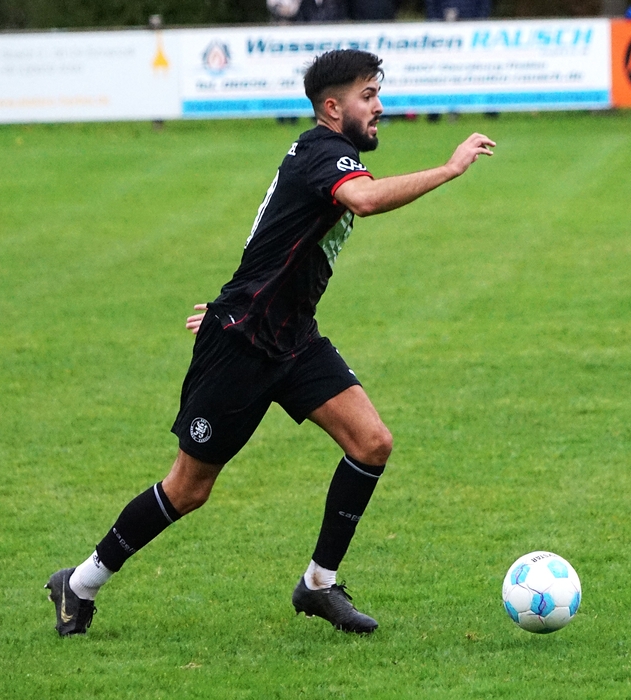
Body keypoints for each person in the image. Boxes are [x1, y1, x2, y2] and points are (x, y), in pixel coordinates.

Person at [46, 49, 495, 637]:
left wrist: (233, 302)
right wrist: (450, 168)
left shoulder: (326, 156)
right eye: (367, 96)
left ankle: (318, 585)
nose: (379, 106)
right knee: (188, 489)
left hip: (291, 336)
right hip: (242, 345)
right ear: (331, 107)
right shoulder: (323, 152)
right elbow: (365, 201)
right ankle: (79, 584)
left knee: (372, 443)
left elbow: (273, 237)